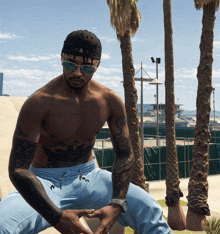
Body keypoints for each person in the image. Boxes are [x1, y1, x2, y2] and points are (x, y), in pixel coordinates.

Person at [0, 30, 171, 234]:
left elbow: (125, 154)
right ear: (61, 58)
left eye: (87, 67)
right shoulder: (39, 103)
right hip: (45, 181)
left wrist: (116, 203)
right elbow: (18, 170)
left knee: (150, 209)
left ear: (97, 65)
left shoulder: (109, 101)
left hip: (90, 176)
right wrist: (56, 217)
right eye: (71, 64)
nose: (78, 73)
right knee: (2, 223)